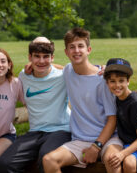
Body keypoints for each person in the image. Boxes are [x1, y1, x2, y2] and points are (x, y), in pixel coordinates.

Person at [42, 28, 123, 173]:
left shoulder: (102, 79)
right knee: (49, 160)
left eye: (80, 46)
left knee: (113, 160)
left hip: (108, 139)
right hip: (80, 140)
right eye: (72, 47)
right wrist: (33, 66)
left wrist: (97, 146)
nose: (76, 51)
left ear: (89, 49)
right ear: (66, 52)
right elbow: (57, 67)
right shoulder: (68, 71)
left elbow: (113, 119)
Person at [0, 37, 71, 173]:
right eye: (37, 56)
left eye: (46, 56)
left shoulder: (63, 76)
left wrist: (102, 68)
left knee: (45, 159)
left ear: (52, 57)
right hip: (35, 132)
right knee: (4, 163)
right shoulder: (23, 76)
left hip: (61, 130)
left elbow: (82, 70)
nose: (41, 61)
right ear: (29, 57)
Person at [103, 58, 137, 173]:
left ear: (128, 81)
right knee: (129, 164)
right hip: (130, 144)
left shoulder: (135, 103)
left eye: (121, 81)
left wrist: (122, 154)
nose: (117, 85)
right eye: (112, 81)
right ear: (107, 83)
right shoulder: (117, 98)